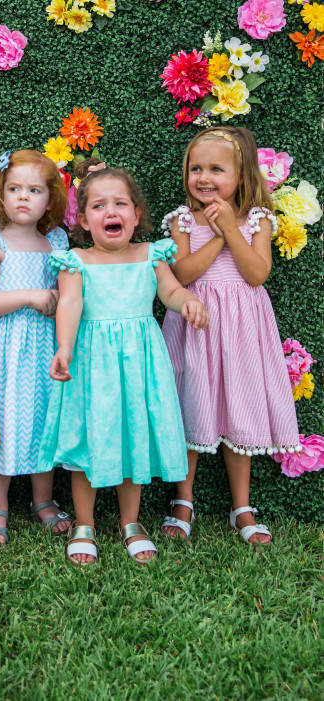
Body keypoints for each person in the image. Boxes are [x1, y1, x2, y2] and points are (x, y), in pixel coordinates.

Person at [38, 159, 209, 565]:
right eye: (98, 206)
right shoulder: (76, 260)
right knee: (88, 439)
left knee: (133, 436)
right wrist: (63, 348)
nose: (110, 212)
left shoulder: (152, 254)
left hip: (139, 363)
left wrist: (188, 301)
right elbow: (70, 305)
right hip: (91, 363)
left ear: (136, 215)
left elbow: (169, 291)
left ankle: (131, 522)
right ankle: (84, 524)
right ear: (82, 219)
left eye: (119, 204)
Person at [161, 127, 301, 545]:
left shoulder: (257, 220)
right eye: (195, 169)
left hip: (241, 328)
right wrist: (217, 235)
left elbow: (257, 274)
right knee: (191, 404)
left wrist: (233, 231)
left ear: (241, 176)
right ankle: (183, 501)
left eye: (216, 169)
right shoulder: (183, 220)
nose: (203, 177)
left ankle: (242, 505)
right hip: (196, 324)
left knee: (242, 407)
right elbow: (181, 275)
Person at [0, 149, 71, 546]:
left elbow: (69, 295)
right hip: (2, 350)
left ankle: (43, 499)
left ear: (51, 199)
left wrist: (59, 301)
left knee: (43, 421)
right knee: (0, 422)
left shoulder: (56, 242)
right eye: (14, 189)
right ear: (1, 194)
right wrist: (29, 295)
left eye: (34, 190)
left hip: (44, 347)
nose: (23, 197)